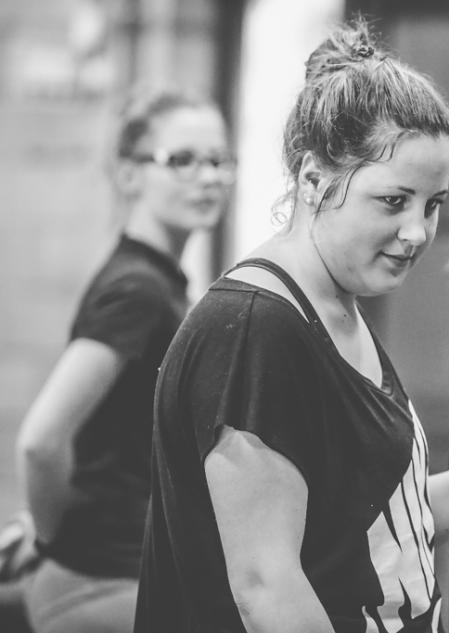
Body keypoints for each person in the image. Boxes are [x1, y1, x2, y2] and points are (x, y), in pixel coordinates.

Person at [133, 22, 449, 633]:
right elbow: (266, 587)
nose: (418, 232)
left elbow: (386, 526)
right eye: (394, 201)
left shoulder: (337, 305)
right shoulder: (254, 328)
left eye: (433, 204)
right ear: (313, 180)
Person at [13, 88, 234, 633]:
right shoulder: (138, 290)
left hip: (129, 573)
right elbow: (41, 442)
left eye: (217, 160)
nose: (208, 177)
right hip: (103, 582)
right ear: (129, 174)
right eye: (182, 160)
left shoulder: (158, 283)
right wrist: (56, 542)